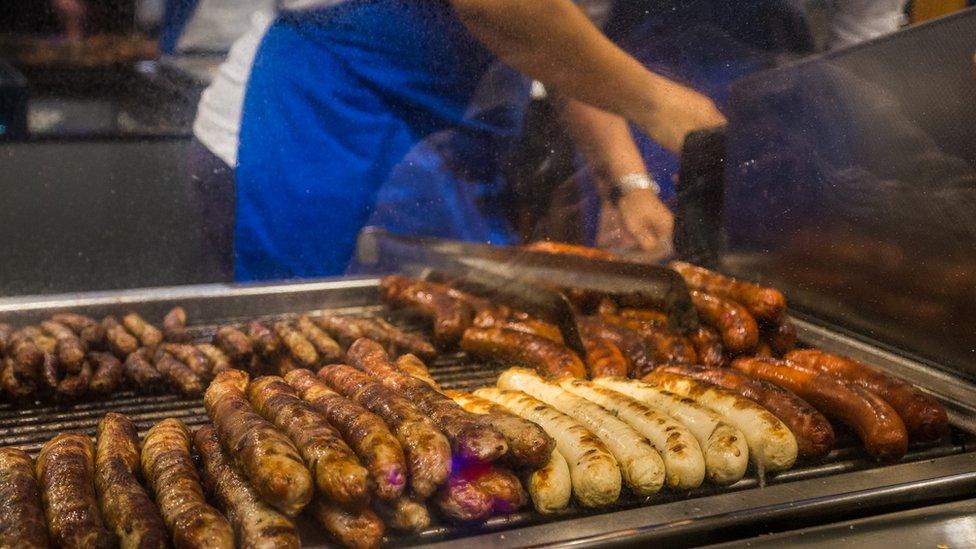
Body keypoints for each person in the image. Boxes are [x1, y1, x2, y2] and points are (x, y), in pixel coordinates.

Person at [188, 0, 725, 281]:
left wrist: (625, 183)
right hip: (312, 135)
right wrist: (656, 102)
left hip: (437, 161)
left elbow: (555, 32)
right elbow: (504, 8)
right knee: (312, 393)